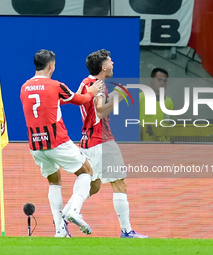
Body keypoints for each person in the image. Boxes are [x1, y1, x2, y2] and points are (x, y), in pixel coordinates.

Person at [61, 49, 149, 238]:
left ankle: (64, 217)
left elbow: (87, 105)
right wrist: (117, 98)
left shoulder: (86, 82)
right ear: (103, 67)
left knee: (93, 186)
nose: (113, 63)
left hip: (87, 141)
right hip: (103, 141)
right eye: (110, 61)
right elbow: (100, 112)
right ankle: (126, 231)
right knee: (119, 183)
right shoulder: (99, 85)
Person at [20, 49, 103, 237]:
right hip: (57, 141)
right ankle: (74, 210)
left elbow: (48, 103)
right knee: (86, 172)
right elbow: (79, 99)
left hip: (35, 145)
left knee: (54, 182)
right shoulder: (56, 85)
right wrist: (91, 92)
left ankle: (59, 230)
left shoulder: (24, 87)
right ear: (51, 65)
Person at [139, 68, 174, 141]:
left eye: (165, 81)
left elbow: (167, 125)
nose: (162, 83)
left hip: (162, 144)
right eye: (159, 80)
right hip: (142, 143)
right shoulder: (140, 98)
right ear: (151, 80)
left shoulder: (169, 102)